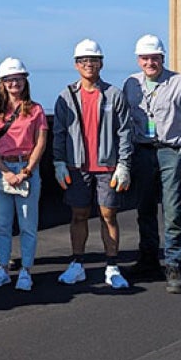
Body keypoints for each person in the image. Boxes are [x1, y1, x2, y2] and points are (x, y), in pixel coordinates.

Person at [121, 34, 181, 294]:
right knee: (144, 207)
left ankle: (174, 264)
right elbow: (124, 121)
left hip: (172, 151)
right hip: (142, 150)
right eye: (145, 58)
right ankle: (148, 258)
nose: (150, 62)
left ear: (162, 58)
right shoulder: (131, 84)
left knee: (172, 209)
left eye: (154, 58)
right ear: (138, 60)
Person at [51, 39, 134, 289]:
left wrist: (124, 165)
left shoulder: (113, 94)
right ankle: (77, 264)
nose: (89, 65)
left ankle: (112, 266)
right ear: (76, 65)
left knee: (108, 215)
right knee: (78, 215)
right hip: (77, 167)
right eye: (84, 61)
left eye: (94, 60)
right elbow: (59, 133)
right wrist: (59, 162)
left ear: (101, 63)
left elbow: (125, 132)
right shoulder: (66, 96)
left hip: (107, 166)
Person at [0, 57, 47, 291]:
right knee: (2, 223)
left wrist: (27, 170)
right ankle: (2, 269)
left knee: (28, 224)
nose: (13, 84)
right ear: (3, 83)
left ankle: (26, 270)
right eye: (9, 80)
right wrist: (5, 171)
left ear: (24, 80)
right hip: (1, 170)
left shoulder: (36, 109)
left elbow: (40, 143)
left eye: (17, 79)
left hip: (26, 169)